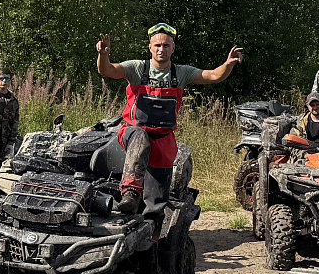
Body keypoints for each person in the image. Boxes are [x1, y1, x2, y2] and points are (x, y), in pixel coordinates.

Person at [96, 25, 243, 214]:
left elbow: (213, 75)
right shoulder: (137, 68)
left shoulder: (180, 73)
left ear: (173, 48)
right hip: (133, 132)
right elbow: (107, 70)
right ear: (150, 47)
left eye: (166, 45)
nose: (161, 49)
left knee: (157, 202)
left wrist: (228, 64)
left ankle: (152, 229)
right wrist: (103, 55)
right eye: (157, 45)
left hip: (164, 141)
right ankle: (130, 193)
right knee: (140, 137)